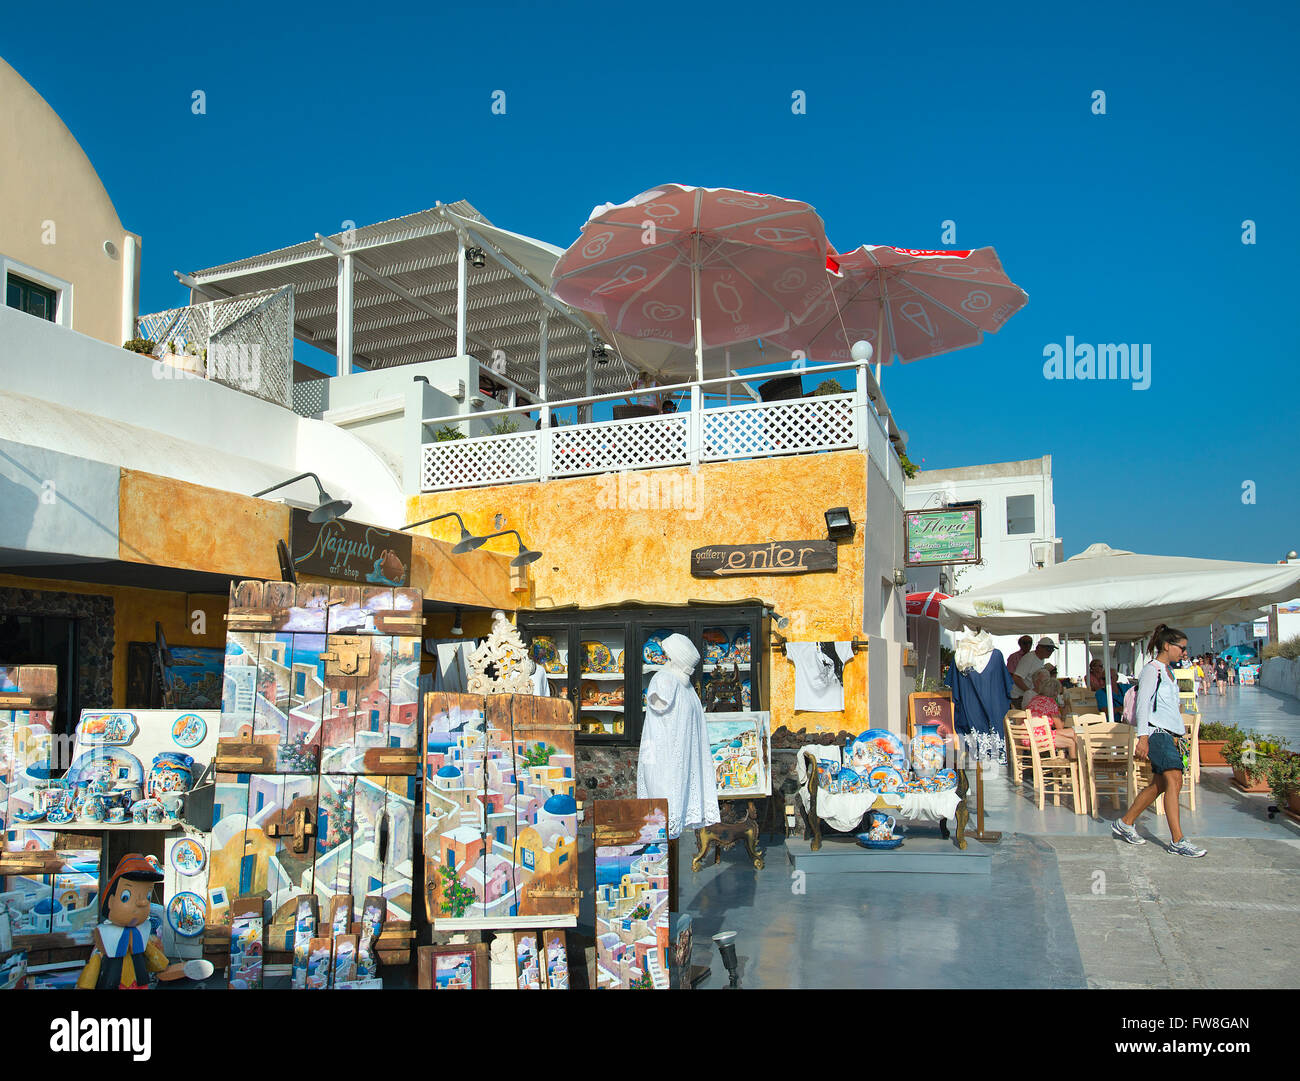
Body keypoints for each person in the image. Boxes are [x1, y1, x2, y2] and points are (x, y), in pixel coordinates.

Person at [1112, 624, 1206, 857]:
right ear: (1167, 646)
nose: (1184, 652)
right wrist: (1143, 738)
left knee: (1162, 784)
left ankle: (1125, 823)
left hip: (1171, 735)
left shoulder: (1168, 672)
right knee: (1173, 779)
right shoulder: (1152, 670)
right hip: (1157, 733)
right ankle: (1177, 840)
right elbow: (1143, 704)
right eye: (1181, 648)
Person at [1023, 671, 1075, 756]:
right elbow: (1060, 727)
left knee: (1072, 733)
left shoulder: (1034, 699)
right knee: (1071, 740)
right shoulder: (1050, 702)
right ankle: (1075, 766)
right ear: (1055, 692)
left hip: (1028, 735)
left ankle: (1068, 764)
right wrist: (1066, 709)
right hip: (1040, 736)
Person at [1013, 637, 1057, 708]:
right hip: (1020, 697)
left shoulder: (1041, 658)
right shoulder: (1029, 659)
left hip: (1028, 696)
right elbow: (1016, 678)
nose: (1050, 652)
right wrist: (1029, 692)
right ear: (1038, 648)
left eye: (1052, 650)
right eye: (1048, 649)